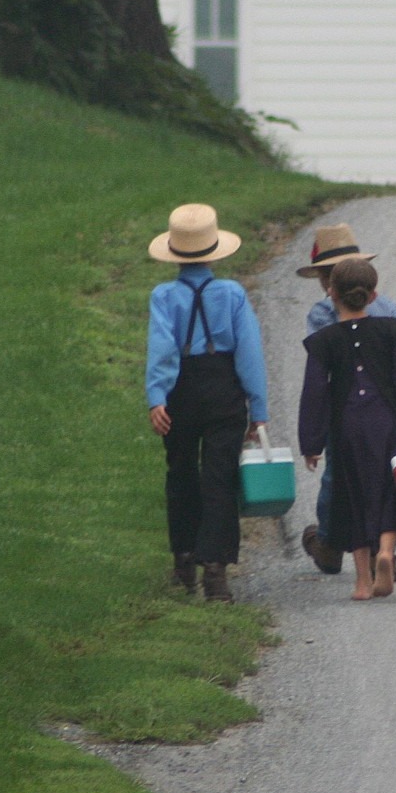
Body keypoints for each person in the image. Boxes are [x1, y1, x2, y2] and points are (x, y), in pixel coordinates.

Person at [146, 203, 269, 603]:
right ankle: (215, 570)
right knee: (220, 477)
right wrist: (258, 407)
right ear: (214, 251)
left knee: (180, 472)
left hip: (181, 389)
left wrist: (156, 397)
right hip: (223, 389)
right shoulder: (232, 293)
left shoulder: (163, 295)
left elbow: (162, 349)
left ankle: (183, 559)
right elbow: (249, 353)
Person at [299, 257, 396, 601]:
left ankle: (361, 581)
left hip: (345, 426)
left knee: (350, 494)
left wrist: (311, 441)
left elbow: (315, 390)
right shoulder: (391, 330)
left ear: (331, 294)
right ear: (373, 296)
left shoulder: (325, 339)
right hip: (388, 422)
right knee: (388, 489)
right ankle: (385, 553)